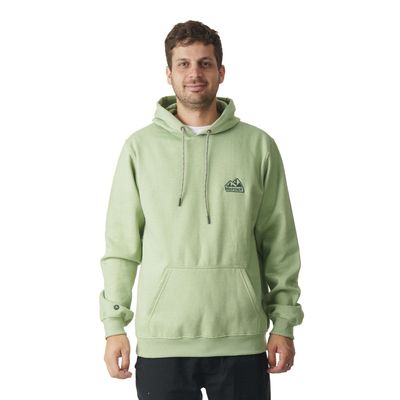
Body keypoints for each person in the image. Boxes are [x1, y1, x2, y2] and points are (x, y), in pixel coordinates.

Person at [99, 20, 304, 400]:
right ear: (169, 74)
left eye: (205, 63)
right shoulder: (139, 148)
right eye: (184, 64)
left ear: (221, 72)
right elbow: (122, 247)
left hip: (241, 338)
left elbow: (279, 242)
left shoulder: (258, 146)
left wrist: (284, 323)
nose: (194, 73)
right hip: (163, 340)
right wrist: (114, 325)